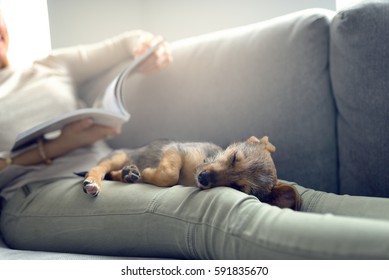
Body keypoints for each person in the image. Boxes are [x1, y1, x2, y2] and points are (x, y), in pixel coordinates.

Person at [1, 9, 389, 260]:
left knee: (302, 196)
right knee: (214, 209)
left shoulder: (50, 66)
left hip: (120, 167)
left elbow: (126, 42)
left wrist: (146, 49)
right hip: (33, 194)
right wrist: (53, 148)